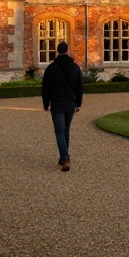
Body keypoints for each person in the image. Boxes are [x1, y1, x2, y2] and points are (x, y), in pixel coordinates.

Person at [41, 41, 83, 172]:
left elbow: (45, 88)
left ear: (58, 51)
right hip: (70, 103)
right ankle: (63, 157)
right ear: (68, 51)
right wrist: (78, 103)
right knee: (65, 130)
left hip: (57, 103)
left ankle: (65, 157)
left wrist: (46, 103)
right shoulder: (75, 67)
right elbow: (79, 87)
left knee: (59, 131)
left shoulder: (51, 68)